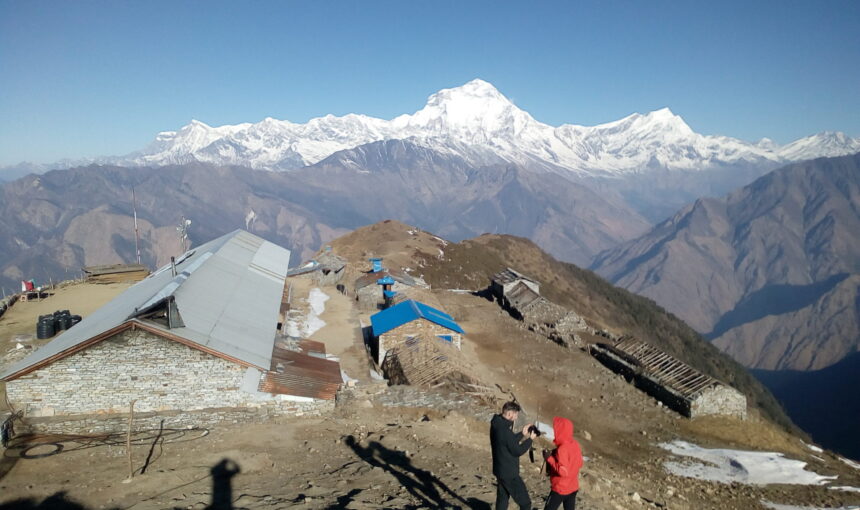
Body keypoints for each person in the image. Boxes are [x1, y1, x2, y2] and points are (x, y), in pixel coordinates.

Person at [490, 401, 537, 510]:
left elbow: (507, 442)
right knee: (525, 503)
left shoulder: (496, 423)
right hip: (509, 473)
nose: (516, 417)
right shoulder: (505, 431)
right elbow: (517, 451)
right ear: (510, 413)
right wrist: (530, 440)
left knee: (503, 499)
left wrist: (522, 434)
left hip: (500, 470)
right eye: (516, 414)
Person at [541, 416, 583, 510]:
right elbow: (580, 463)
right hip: (573, 487)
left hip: (560, 488)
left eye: (557, 429)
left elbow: (563, 472)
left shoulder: (562, 449)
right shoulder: (574, 444)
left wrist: (549, 458)